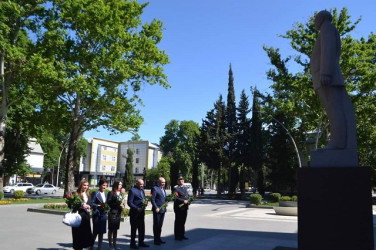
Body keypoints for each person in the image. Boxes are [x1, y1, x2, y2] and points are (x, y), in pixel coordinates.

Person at [310, 10, 357, 150]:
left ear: (322, 18)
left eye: (316, 19)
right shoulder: (326, 29)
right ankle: (337, 140)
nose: (314, 22)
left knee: (334, 108)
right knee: (331, 109)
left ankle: (338, 141)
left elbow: (328, 50)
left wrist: (326, 73)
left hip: (327, 77)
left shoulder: (327, 27)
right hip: (324, 78)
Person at [71, 179, 94, 250]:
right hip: (78, 217)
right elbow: (70, 205)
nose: (86, 187)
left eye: (87, 185)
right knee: (78, 237)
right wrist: (79, 206)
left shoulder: (88, 194)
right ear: (81, 185)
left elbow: (91, 204)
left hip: (86, 218)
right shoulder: (76, 194)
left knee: (85, 237)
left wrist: (89, 206)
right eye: (84, 185)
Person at [127, 179, 149, 249]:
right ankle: (132, 243)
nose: (142, 186)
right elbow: (129, 202)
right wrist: (136, 208)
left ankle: (141, 242)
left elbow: (143, 198)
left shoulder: (142, 190)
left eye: (142, 184)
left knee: (141, 228)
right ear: (136, 183)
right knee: (134, 229)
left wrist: (145, 202)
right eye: (140, 184)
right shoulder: (132, 191)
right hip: (134, 213)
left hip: (141, 213)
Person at [107, 181, 125, 250]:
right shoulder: (111, 193)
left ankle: (114, 243)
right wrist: (117, 205)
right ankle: (110, 244)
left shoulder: (120, 193)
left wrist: (122, 205)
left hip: (118, 213)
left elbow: (121, 202)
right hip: (113, 213)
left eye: (121, 184)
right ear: (116, 185)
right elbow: (109, 203)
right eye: (119, 184)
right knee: (111, 229)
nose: (121, 185)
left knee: (116, 229)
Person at [91, 178, 108, 250]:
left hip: (103, 215)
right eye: (103, 185)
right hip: (97, 215)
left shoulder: (105, 193)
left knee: (101, 232)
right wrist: (99, 205)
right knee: (95, 232)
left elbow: (106, 203)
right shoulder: (96, 193)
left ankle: (99, 247)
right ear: (100, 185)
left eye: (106, 185)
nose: (104, 187)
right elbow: (92, 203)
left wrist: (107, 207)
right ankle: (91, 246)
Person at [173, 174, 190, 241]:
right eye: (180, 180)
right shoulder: (176, 189)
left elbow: (187, 196)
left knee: (183, 222)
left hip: (185, 208)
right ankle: (177, 236)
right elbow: (176, 198)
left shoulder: (185, 188)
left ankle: (182, 234)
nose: (181, 181)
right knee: (178, 222)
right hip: (178, 208)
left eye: (182, 179)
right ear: (177, 181)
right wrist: (183, 201)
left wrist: (189, 200)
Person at [151, 177, 167, 245]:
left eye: (164, 182)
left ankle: (159, 238)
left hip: (163, 210)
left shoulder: (163, 189)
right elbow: (153, 200)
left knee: (160, 225)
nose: (163, 184)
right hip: (157, 210)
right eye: (162, 182)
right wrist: (156, 207)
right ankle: (156, 240)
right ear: (159, 182)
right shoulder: (155, 188)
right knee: (156, 225)